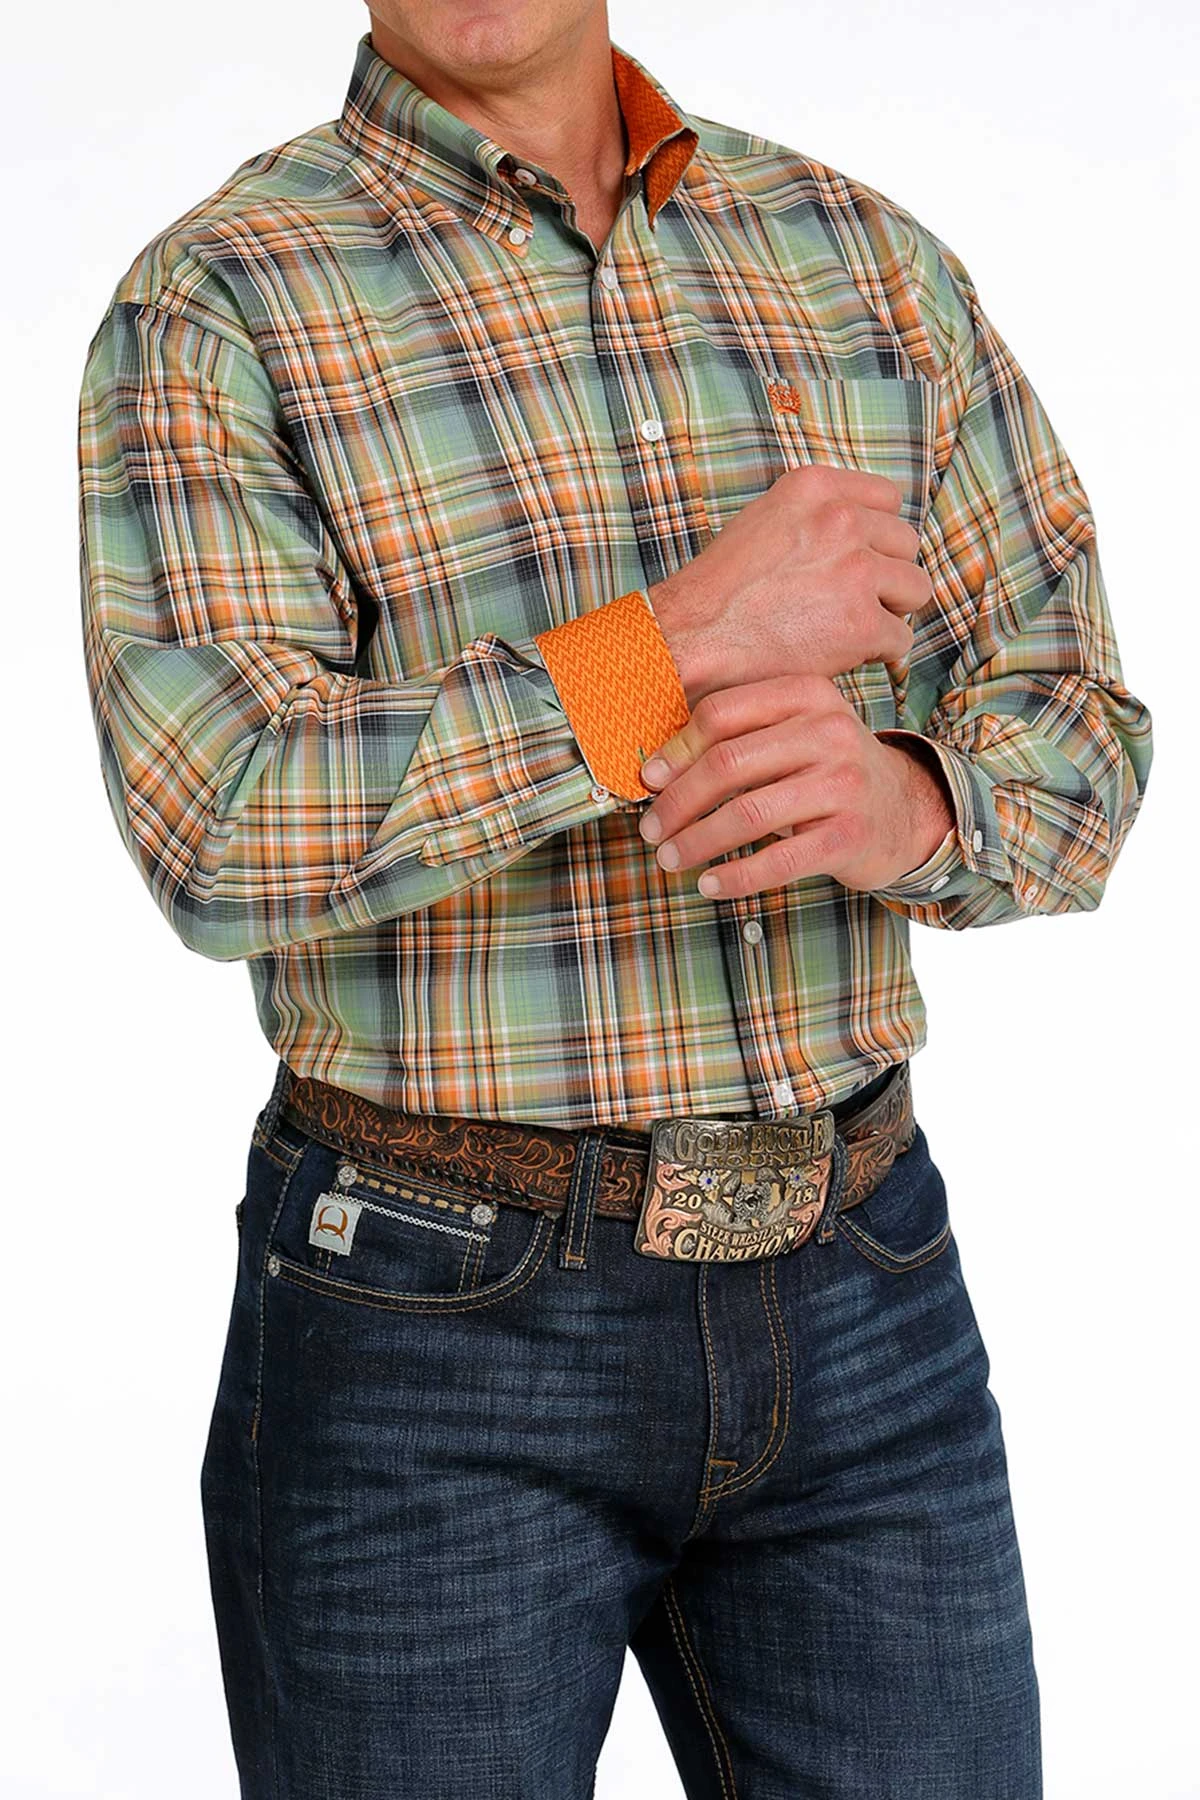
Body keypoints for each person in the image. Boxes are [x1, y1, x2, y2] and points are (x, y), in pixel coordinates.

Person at [76, 3, 1153, 1795]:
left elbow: (1080, 745)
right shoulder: (224, 298)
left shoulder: (864, 263)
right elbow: (221, 823)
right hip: (431, 1324)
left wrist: (906, 800)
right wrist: (674, 644)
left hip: (867, 1288)